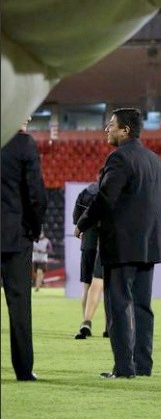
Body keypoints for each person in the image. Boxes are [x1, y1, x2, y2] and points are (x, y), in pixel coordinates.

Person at [75, 108, 161, 379]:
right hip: (148, 244)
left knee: (117, 305)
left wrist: (82, 223)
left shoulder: (119, 158)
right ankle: (143, 365)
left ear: (125, 130)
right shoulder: (155, 161)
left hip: (121, 245)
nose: (107, 129)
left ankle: (124, 368)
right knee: (142, 306)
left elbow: (105, 198)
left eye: (111, 125)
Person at [1, 116, 47, 382]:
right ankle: (23, 369)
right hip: (14, 236)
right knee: (19, 305)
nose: (29, 117)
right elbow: (36, 193)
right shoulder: (23, 144)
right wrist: (33, 228)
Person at [73, 179, 109, 340]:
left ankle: (86, 322)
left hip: (88, 242)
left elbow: (77, 218)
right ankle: (109, 325)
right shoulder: (112, 192)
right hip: (107, 244)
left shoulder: (85, 193)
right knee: (109, 286)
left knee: (87, 286)